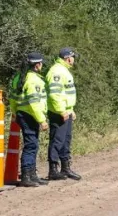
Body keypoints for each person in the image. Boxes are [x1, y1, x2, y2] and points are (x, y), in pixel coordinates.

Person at [14, 52, 49, 187]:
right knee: (31, 145)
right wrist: (42, 120)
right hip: (31, 115)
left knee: (32, 144)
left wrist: (15, 112)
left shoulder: (19, 77)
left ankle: (32, 175)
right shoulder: (34, 80)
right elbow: (34, 102)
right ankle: (26, 176)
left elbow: (12, 98)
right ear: (37, 65)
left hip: (22, 114)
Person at [46, 48, 81, 181]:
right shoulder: (57, 71)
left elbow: (66, 94)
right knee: (57, 140)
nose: (74, 60)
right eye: (73, 57)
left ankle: (65, 168)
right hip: (58, 112)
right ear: (68, 58)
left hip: (66, 111)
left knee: (66, 140)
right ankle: (53, 169)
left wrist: (70, 109)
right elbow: (55, 94)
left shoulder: (64, 70)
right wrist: (61, 110)